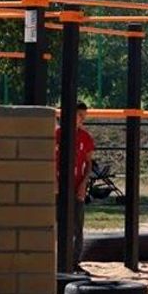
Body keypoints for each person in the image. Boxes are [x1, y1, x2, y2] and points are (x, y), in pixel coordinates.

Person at [55, 101, 94, 274]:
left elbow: (89, 163)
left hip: (76, 185)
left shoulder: (85, 137)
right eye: (79, 116)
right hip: (57, 186)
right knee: (58, 224)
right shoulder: (56, 134)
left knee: (77, 226)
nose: (82, 120)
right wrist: (54, 183)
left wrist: (84, 184)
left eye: (84, 117)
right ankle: (57, 261)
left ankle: (74, 262)